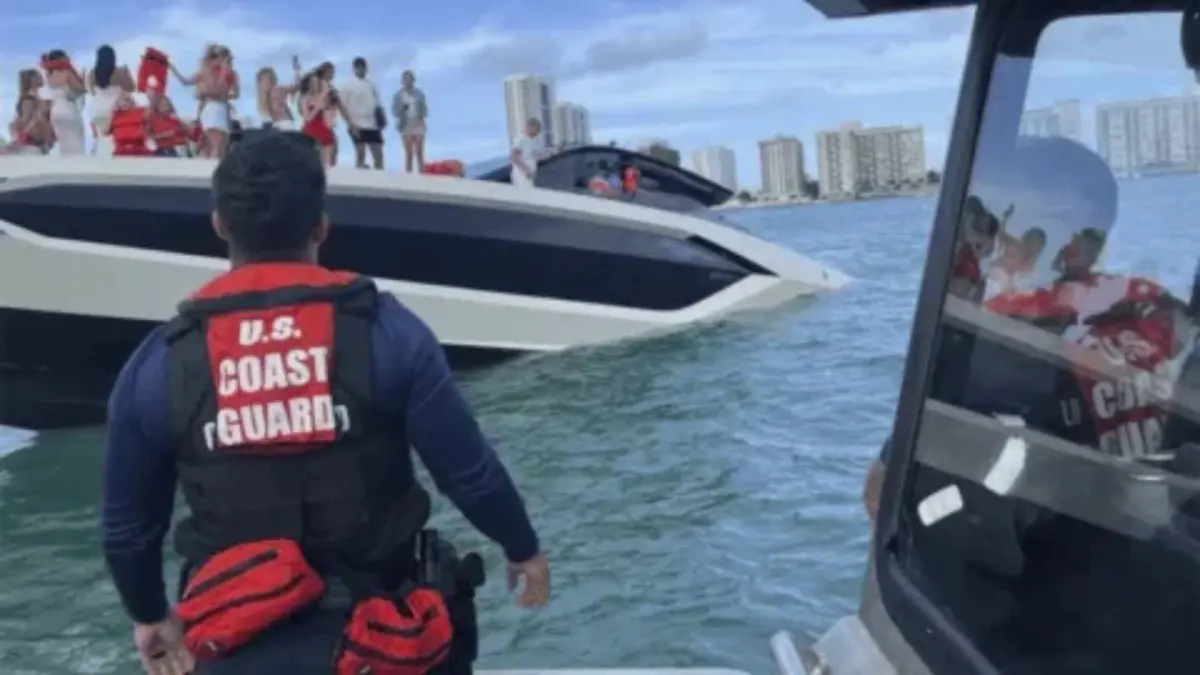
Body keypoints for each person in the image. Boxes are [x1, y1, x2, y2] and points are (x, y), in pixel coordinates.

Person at [100, 132, 550, 675]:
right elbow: (468, 474)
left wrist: (150, 615)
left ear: (220, 226)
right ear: (320, 226)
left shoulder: (159, 362)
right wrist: (522, 548)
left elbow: (128, 531)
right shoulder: (388, 331)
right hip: (385, 646)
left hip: (234, 651)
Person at [172, 44, 239, 159]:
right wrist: (172, 69)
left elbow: (235, 93)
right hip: (212, 108)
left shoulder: (229, 73)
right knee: (216, 144)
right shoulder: (209, 72)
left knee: (222, 145)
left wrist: (220, 95)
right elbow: (186, 82)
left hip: (221, 109)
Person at [340, 57, 385, 169]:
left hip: (373, 124)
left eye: (363, 67)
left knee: (378, 154)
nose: (361, 69)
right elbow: (342, 106)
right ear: (354, 68)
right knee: (360, 154)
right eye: (358, 67)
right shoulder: (347, 85)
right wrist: (350, 124)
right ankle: (360, 176)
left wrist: (381, 119)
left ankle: (380, 176)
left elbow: (377, 104)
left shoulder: (371, 85)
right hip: (357, 123)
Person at [42, 50, 87, 155]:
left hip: (56, 111)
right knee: (76, 141)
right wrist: (81, 78)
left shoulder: (49, 76)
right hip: (68, 108)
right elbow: (81, 89)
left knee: (64, 143)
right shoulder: (67, 73)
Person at [392, 70, 427, 173]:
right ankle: (408, 174)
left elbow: (424, 109)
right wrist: (402, 108)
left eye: (410, 79)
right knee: (408, 152)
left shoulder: (419, 94)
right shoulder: (398, 95)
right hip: (405, 124)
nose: (408, 81)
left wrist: (421, 116)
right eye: (406, 79)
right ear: (403, 81)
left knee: (419, 151)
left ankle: (422, 173)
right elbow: (395, 112)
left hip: (418, 122)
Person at [256, 59, 301, 131]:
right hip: (281, 124)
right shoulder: (264, 98)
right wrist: (297, 70)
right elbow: (297, 87)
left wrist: (296, 70)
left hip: (282, 124)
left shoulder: (275, 91)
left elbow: (296, 87)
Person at [509, 117, 541, 188]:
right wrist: (526, 170)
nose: (537, 132)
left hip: (529, 173)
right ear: (530, 127)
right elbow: (514, 157)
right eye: (536, 129)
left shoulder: (531, 140)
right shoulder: (521, 139)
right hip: (522, 173)